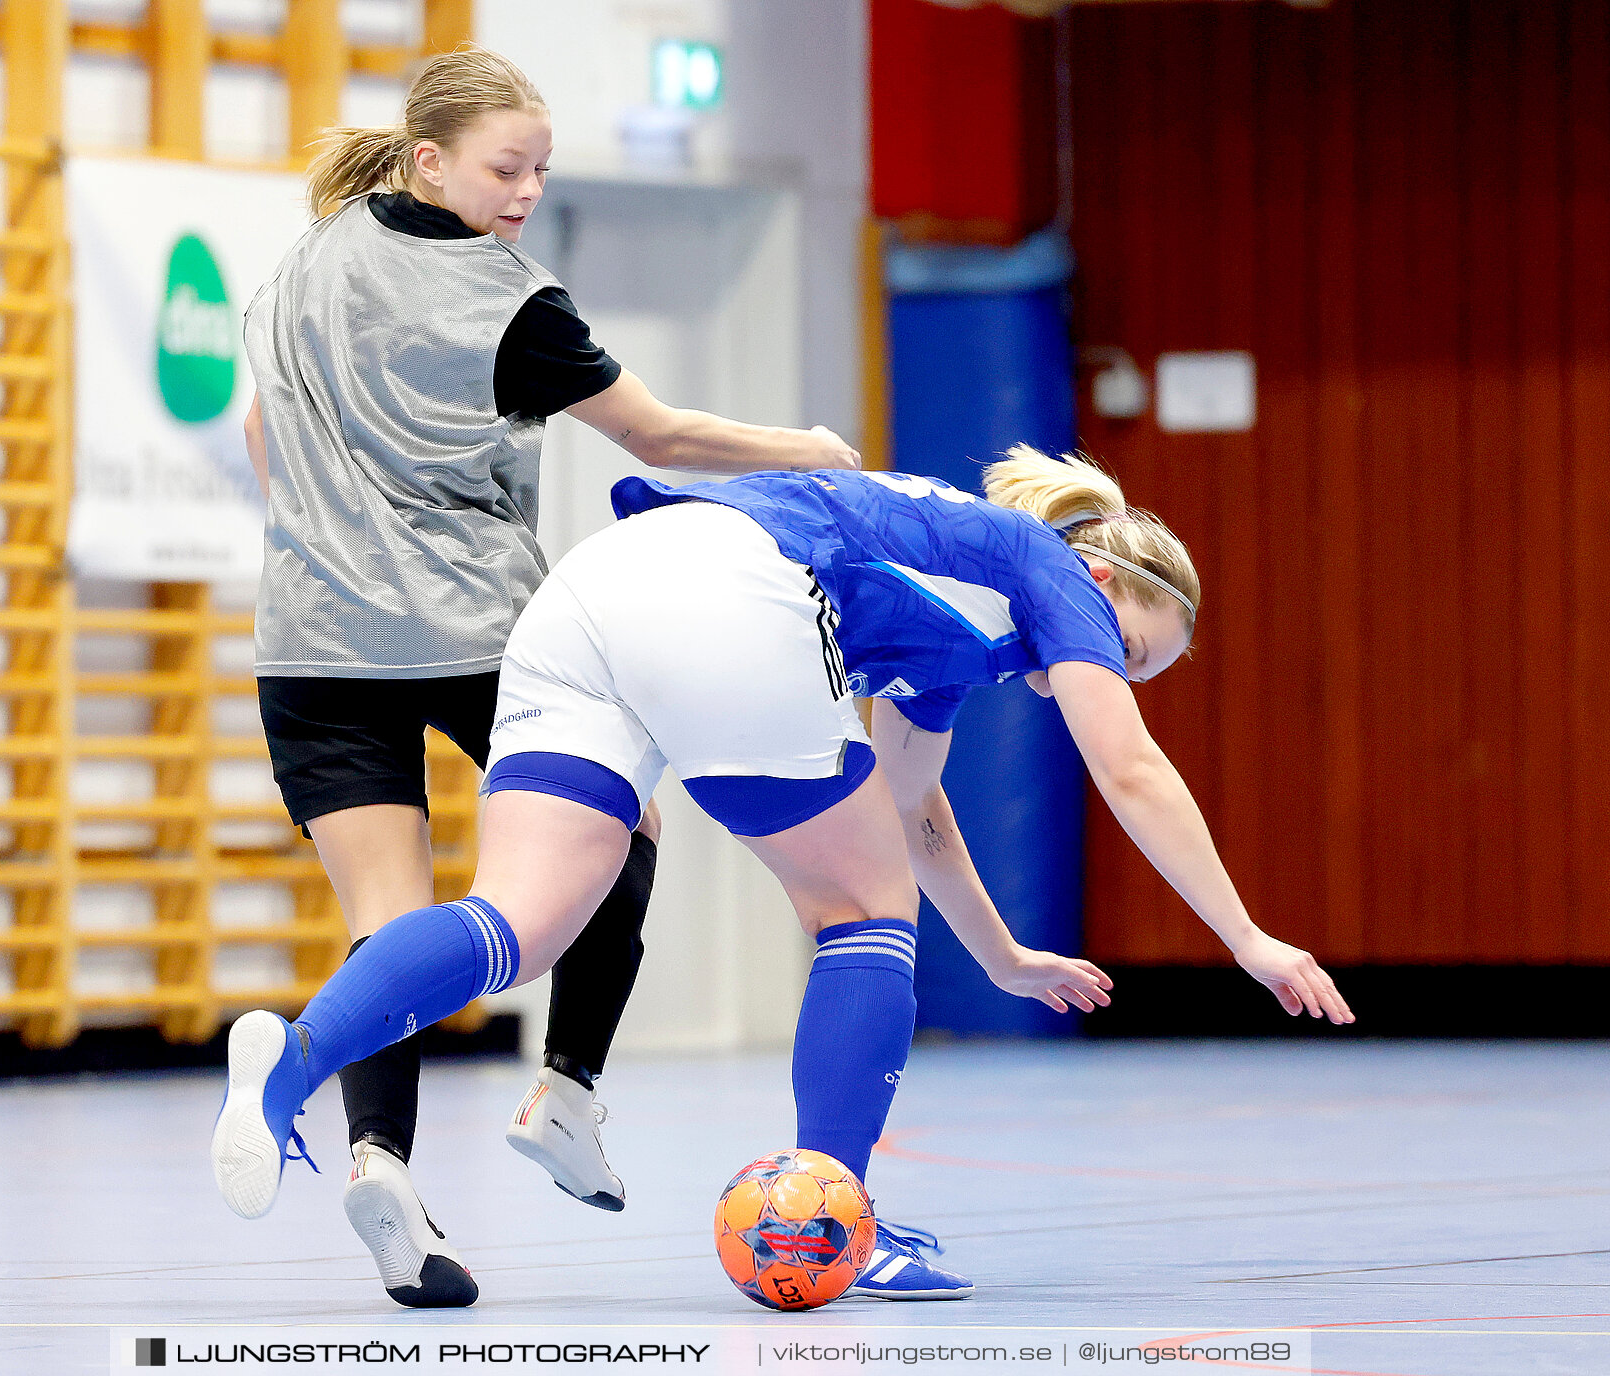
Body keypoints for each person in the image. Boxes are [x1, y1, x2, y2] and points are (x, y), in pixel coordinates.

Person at [212, 448, 1355, 1304]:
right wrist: (1248, 936)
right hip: (733, 588)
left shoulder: (957, 626)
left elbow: (912, 812)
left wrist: (1003, 956)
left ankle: (290, 1062)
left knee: (519, 921)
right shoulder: (1050, 566)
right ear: (1102, 572)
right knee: (858, 916)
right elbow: (1132, 769)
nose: (1111, 670)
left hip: (593, 596)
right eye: (1128, 647)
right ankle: (834, 1219)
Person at [242, 46, 861, 1309]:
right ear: (429, 160)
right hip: (480, 631)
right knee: (621, 837)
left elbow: (261, 429)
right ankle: (568, 1088)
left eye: (540, 171)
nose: (525, 192)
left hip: (311, 638)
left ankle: (383, 1165)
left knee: (391, 925)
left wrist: (332, 529)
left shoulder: (307, 256)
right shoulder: (506, 302)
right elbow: (664, 434)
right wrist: (810, 447)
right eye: (504, 168)